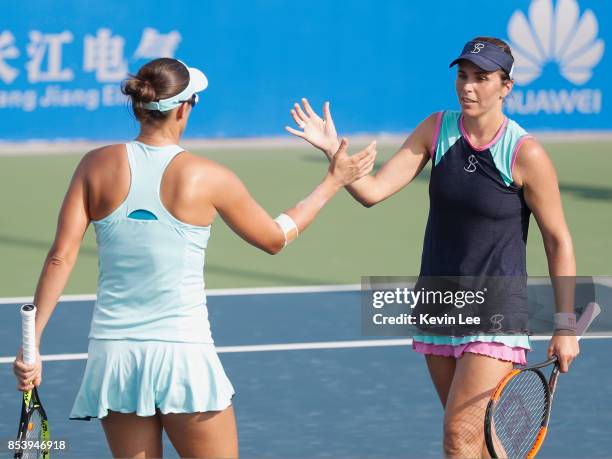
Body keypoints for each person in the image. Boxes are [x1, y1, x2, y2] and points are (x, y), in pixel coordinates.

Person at [13, 57, 377, 459]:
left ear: (139, 105)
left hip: (114, 359)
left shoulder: (94, 165)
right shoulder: (209, 176)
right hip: (183, 357)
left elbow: (59, 259)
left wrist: (32, 346)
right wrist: (333, 181)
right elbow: (275, 239)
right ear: (184, 109)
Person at [287, 37, 579, 458]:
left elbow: (558, 238)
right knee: (477, 441)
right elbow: (371, 191)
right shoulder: (437, 129)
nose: (468, 87)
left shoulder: (524, 152)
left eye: (482, 78)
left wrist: (565, 325)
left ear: (506, 86)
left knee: (456, 439)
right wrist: (335, 152)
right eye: (463, 76)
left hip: (495, 309)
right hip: (439, 301)